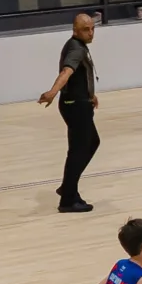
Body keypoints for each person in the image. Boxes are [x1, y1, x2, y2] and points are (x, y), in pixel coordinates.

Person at [39, 13, 101, 212]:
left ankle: (68, 187)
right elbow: (67, 72)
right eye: (86, 29)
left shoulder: (76, 45)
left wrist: (91, 94)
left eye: (92, 28)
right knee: (79, 149)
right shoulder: (76, 48)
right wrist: (52, 91)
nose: (90, 33)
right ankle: (67, 198)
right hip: (75, 106)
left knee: (90, 143)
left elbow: (82, 74)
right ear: (75, 30)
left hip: (78, 102)